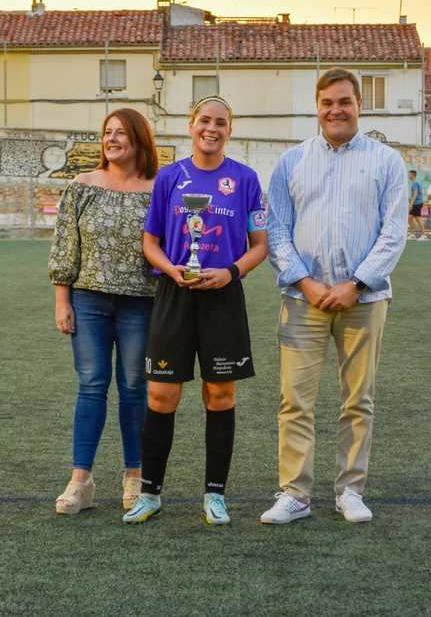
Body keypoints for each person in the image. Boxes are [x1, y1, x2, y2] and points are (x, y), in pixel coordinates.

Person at [261, 68, 408, 525]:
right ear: (317, 106)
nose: (335, 110)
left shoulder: (387, 162)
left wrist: (356, 284)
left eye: (344, 101)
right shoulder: (291, 162)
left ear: (359, 105)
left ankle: (350, 490)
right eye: (327, 102)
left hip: (363, 302)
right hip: (303, 299)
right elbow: (277, 229)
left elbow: (394, 232)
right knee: (295, 400)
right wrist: (306, 281)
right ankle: (295, 494)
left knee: (358, 400)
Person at [123, 96, 267, 525]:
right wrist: (170, 270)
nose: (212, 128)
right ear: (190, 125)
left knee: (220, 394)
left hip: (223, 295)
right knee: (161, 394)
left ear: (230, 129)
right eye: (205, 120)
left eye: (221, 122)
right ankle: (150, 494)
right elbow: (151, 240)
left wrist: (231, 272)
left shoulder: (245, 179)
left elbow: (260, 246)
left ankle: (215, 494)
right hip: (175, 294)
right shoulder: (170, 177)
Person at [49, 108, 158, 515]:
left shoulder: (158, 188)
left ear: (139, 140)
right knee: (91, 384)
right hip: (88, 301)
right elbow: (65, 247)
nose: (111, 139)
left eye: (121, 133)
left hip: (141, 302)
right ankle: (81, 481)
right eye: (107, 133)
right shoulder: (82, 186)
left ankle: (135, 476)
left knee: (133, 387)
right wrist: (63, 300)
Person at [407, 169, 427, 240]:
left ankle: (423, 234)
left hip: (417, 203)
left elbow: (415, 194)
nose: (408, 175)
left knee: (418, 218)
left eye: (409, 174)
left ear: (413, 175)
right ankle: (412, 234)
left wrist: (411, 204)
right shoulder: (414, 183)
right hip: (416, 203)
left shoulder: (415, 183)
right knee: (410, 218)